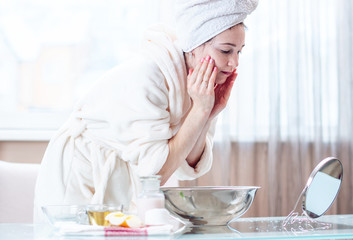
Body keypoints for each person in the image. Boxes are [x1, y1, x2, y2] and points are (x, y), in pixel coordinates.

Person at [34, 0, 258, 222]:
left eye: (239, 51)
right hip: (80, 176)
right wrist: (199, 110)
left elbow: (187, 167)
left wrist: (207, 114)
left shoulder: (199, 86)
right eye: (226, 50)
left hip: (121, 183)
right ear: (194, 43)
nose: (234, 63)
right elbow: (155, 175)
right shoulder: (149, 75)